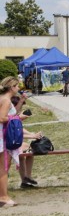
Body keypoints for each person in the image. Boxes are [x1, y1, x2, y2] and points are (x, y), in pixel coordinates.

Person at [0, 77, 30, 206]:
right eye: (17, 86)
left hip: (4, 135)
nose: (19, 88)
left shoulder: (4, 99)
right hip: (3, 136)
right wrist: (18, 118)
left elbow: (11, 113)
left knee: (4, 167)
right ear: (12, 87)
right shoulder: (6, 100)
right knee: (3, 168)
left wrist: (21, 101)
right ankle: (4, 197)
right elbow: (2, 118)